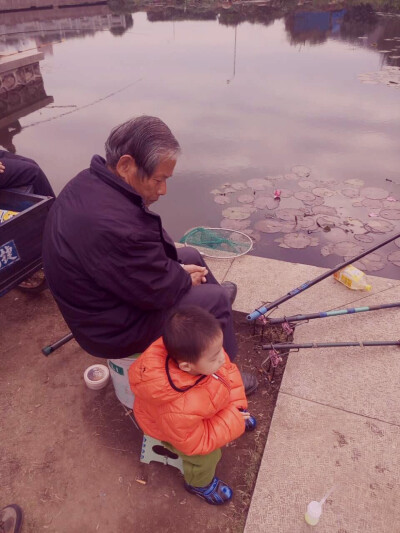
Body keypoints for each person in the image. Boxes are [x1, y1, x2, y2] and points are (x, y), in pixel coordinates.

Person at [42, 115, 257, 394]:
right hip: (108, 327)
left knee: (189, 255)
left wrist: (179, 272)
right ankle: (225, 382)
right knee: (211, 300)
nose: (163, 190)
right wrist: (179, 279)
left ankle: (217, 320)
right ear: (126, 165)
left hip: (107, 298)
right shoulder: (110, 225)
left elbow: (141, 267)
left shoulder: (93, 181)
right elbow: (155, 292)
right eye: (159, 179)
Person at [129, 306, 257, 505]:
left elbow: (228, 375)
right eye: (215, 357)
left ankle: (236, 415)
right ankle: (199, 483)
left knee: (226, 401)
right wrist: (232, 420)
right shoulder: (176, 407)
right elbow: (195, 443)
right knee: (206, 457)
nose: (223, 358)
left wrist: (237, 407)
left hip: (196, 412)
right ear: (186, 367)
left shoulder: (201, 354)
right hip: (176, 432)